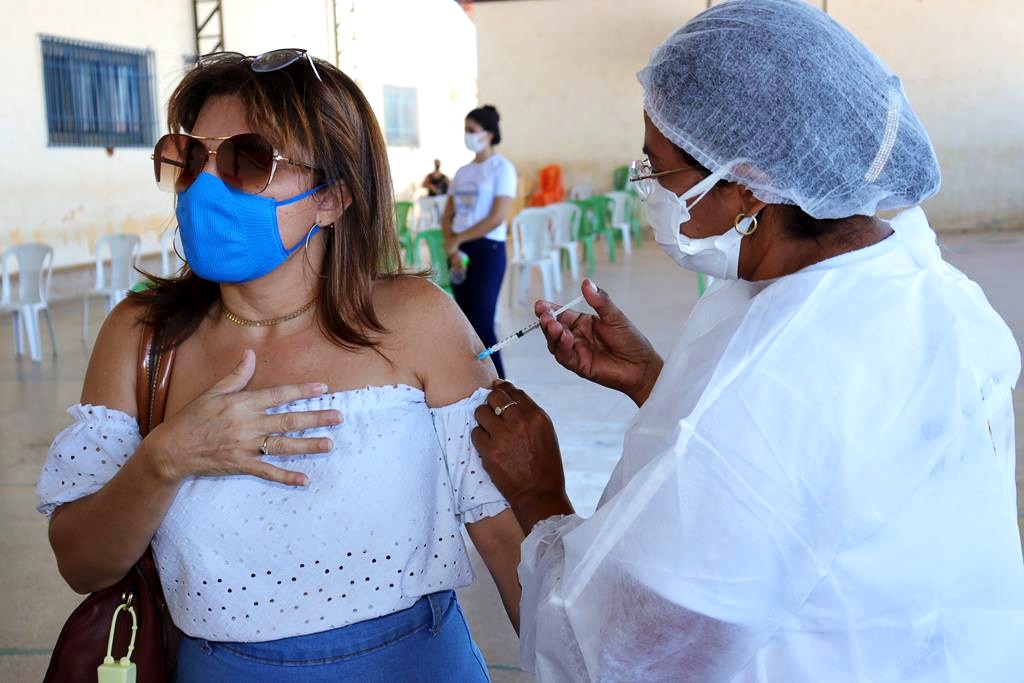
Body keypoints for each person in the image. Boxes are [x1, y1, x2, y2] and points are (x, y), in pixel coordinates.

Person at [470, 2, 1024, 681]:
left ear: (747, 188)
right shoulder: (920, 283)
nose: (647, 185)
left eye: (658, 165)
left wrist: (537, 493)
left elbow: (617, 651)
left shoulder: (772, 382)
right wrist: (655, 382)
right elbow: (812, 475)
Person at [36, 49, 523, 681]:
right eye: (188, 159)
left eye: (246, 161)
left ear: (333, 198)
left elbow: (506, 534)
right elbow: (83, 564)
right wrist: (164, 460)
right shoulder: (142, 338)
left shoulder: (415, 323)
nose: (205, 187)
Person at [442, 105, 517, 379]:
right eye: (466, 130)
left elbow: (497, 216)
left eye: (473, 131)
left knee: (483, 323)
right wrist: (451, 246)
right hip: (458, 251)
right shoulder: (462, 172)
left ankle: (501, 385)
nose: (468, 136)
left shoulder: (502, 169)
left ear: (489, 134)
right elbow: (448, 213)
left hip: (488, 250)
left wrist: (457, 240)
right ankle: (471, 383)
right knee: (464, 324)